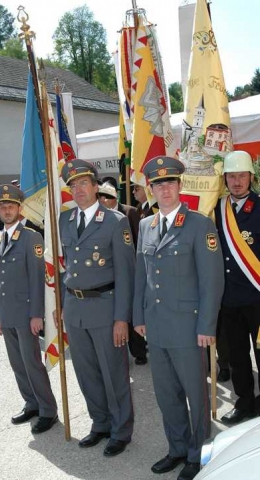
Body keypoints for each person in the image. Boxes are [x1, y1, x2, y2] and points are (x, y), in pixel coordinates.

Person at [133, 156, 224, 480]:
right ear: (151, 189)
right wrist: (138, 317)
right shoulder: (147, 225)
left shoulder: (200, 225)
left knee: (196, 396)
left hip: (188, 328)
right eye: (158, 184)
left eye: (170, 182)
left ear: (180, 185)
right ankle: (177, 448)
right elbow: (140, 276)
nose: (165, 189)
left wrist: (206, 327)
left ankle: (198, 454)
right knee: (166, 395)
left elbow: (212, 281)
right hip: (155, 327)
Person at [59, 159, 135, 457]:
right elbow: (66, 268)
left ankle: (121, 430)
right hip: (75, 308)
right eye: (73, 185)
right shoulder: (65, 220)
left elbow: (126, 275)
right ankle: (100, 422)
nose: (78, 190)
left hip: (105, 308)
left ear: (94, 186)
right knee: (86, 372)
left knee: (113, 372)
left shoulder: (115, 221)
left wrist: (121, 319)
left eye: (83, 184)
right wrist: (62, 306)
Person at [0, 184, 58, 434]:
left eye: (11, 206)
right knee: (17, 363)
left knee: (32, 363)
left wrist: (36, 314)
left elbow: (37, 279)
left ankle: (48, 410)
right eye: (2, 207)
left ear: (19, 208)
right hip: (6, 314)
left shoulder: (31, 238)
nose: (6, 210)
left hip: (27, 314)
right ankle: (31, 403)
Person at [215, 150, 260, 425]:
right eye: (231, 176)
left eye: (241, 175)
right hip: (229, 297)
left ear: (251, 177)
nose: (236, 181)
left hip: (257, 295)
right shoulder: (216, 209)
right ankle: (244, 402)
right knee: (236, 355)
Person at [99, 181, 148, 365]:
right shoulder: (101, 217)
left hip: (130, 268)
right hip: (110, 271)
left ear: (114, 198)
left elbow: (137, 240)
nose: (104, 200)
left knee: (131, 313)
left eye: (108, 197)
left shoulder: (129, 212)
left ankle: (139, 351)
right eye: (101, 197)